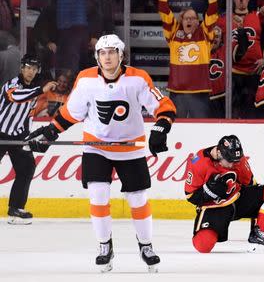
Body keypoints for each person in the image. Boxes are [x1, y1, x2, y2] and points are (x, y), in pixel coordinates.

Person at [27, 34, 177, 272]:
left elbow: (164, 106)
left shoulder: (138, 79)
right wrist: (50, 132)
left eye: (112, 52)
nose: (107, 57)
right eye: (102, 53)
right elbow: (71, 113)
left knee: (138, 198)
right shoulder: (86, 79)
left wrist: (160, 128)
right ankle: (105, 246)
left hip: (129, 148)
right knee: (98, 196)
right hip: (95, 147)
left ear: (121, 55)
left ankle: (146, 246)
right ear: (97, 56)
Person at [184, 135, 264, 253]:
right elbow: (191, 196)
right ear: (219, 153)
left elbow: (250, 185)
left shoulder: (237, 159)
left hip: (239, 199)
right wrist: (210, 191)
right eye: (229, 161)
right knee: (203, 245)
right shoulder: (199, 162)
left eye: (235, 161)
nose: (232, 165)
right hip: (215, 207)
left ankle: (258, 233)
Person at [0, 54, 57, 224]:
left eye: (34, 69)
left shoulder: (33, 90)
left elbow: (29, 114)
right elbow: (16, 97)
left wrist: (28, 136)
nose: (31, 71)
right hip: (0, 133)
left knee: (26, 169)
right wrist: (42, 90)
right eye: (28, 68)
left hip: (17, 136)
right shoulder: (12, 85)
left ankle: (15, 209)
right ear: (21, 68)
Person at [158, 0, 218, 118]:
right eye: (186, 18)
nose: (189, 20)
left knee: (201, 131)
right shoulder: (173, 32)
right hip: (177, 92)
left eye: (192, 18)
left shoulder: (205, 32)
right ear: (182, 20)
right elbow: (163, 9)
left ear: (198, 21)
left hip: (200, 93)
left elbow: (213, 10)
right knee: (177, 130)